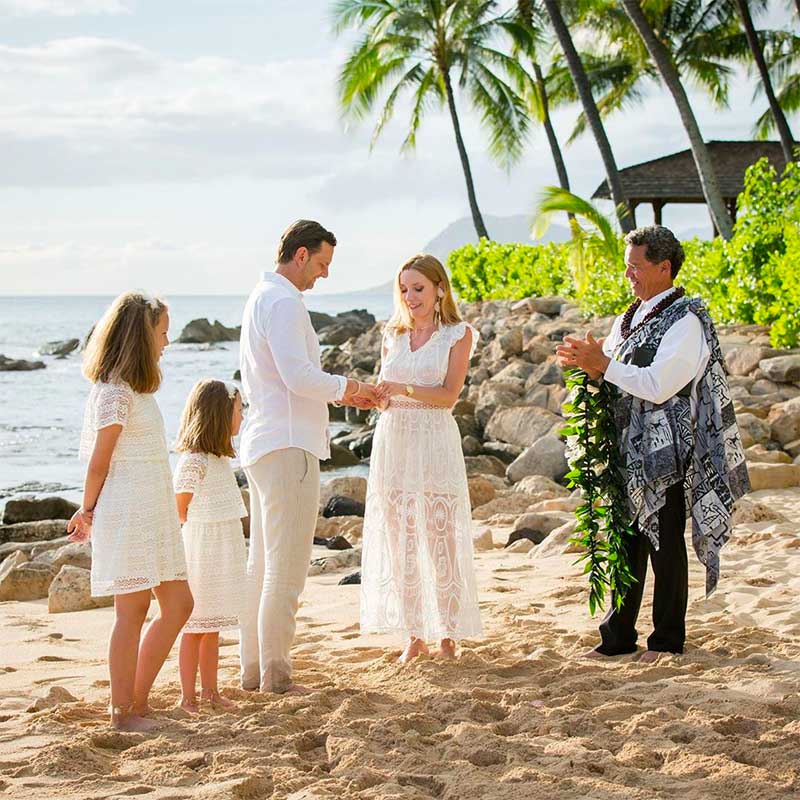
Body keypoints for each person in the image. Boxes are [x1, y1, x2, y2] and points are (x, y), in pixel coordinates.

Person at [556, 225, 749, 663]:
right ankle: (618, 636)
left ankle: (666, 639)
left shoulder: (686, 320)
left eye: (635, 266)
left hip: (667, 450)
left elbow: (660, 384)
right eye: (626, 266)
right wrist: (585, 361)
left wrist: (603, 363)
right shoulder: (628, 317)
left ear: (664, 268)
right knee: (626, 539)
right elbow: (610, 369)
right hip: (628, 445)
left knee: (663, 542)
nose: (628, 274)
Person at [238, 219, 377, 694]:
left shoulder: (261, 297)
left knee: (261, 565)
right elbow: (298, 376)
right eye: (321, 263)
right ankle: (275, 675)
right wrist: (352, 388)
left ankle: (254, 671)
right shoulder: (281, 303)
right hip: (288, 444)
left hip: (264, 441)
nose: (323, 275)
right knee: (286, 567)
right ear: (300, 255)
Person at [68, 292, 193, 731]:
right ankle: (123, 712)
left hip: (152, 511)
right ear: (141, 337)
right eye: (162, 333)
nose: (167, 341)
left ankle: (137, 702)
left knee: (179, 604)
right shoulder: (114, 393)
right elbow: (98, 462)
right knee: (133, 611)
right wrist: (86, 512)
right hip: (128, 512)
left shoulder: (136, 390)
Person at [361, 253, 483, 663]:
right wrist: (378, 396)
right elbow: (386, 393)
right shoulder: (391, 334)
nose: (410, 297)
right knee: (400, 540)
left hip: (434, 440)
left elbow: (449, 396)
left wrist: (404, 389)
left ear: (439, 290)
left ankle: (448, 634)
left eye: (418, 289)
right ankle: (414, 634)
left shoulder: (458, 334)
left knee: (439, 536)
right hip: (394, 438)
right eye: (404, 289)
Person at [174, 379, 248, 713]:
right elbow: (179, 508)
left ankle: (211, 691)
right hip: (201, 550)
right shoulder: (195, 461)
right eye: (238, 409)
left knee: (213, 624)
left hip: (223, 548)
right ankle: (187, 696)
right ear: (220, 414)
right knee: (194, 626)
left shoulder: (219, 459)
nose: (242, 417)